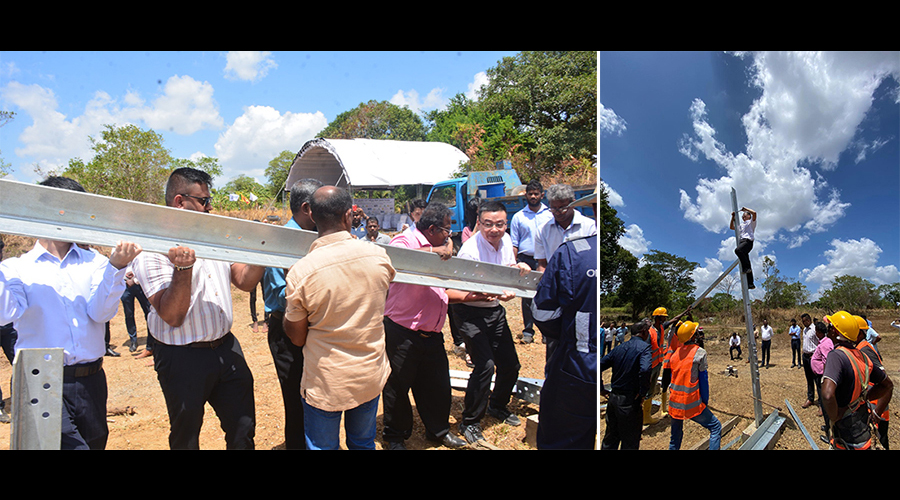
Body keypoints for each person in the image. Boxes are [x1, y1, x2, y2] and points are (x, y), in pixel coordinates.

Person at [0, 176, 142, 449]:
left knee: (95, 442)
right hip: (39, 379)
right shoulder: (16, 269)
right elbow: (5, 313)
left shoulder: (98, 263)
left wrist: (116, 267)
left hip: (91, 380)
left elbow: (101, 313)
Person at [131, 167, 264, 450]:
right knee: (186, 435)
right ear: (180, 201)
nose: (210, 206)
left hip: (226, 348)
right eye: (203, 200)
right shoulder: (152, 249)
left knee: (243, 428)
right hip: (182, 358)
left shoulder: (214, 235)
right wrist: (183, 268)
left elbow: (244, 281)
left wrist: (261, 253)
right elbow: (172, 315)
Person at [282, 186, 396, 450]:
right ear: (348, 216)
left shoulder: (302, 272)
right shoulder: (379, 256)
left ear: (313, 217)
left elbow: (297, 338)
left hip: (327, 382)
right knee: (363, 442)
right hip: (369, 373)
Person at [380, 202, 479, 450]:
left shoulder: (442, 246)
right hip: (403, 331)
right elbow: (405, 261)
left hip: (432, 332)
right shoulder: (403, 241)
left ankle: (438, 430)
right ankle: (395, 436)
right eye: (446, 230)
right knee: (397, 386)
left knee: (437, 385)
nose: (449, 235)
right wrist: (438, 251)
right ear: (432, 229)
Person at [452, 200, 532, 446]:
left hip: (495, 312)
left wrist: (517, 269)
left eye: (500, 224)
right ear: (479, 223)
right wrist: (496, 292)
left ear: (506, 224)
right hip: (470, 313)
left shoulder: (506, 241)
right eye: (488, 224)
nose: (494, 230)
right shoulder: (469, 251)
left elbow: (506, 269)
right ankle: (470, 421)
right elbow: (459, 291)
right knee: (485, 366)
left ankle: (497, 405)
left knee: (510, 365)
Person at [260, 178, 322, 450]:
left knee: (315, 393)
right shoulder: (283, 240)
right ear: (308, 208)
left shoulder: (318, 237)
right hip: (286, 329)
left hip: (314, 328)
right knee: (296, 395)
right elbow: (282, 295)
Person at [533, 233, 597, 450]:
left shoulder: (573, 252)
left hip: (577, 363)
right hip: (592, 362)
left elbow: (543, 313)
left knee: (565, 438)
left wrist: (566, 336)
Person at [532, 183, 597, 360]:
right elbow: (542, 264)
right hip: (556, 291)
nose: (559, 212)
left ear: (572, 203)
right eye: (554, 208)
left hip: (581, 289)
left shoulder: (589, 227)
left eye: (563, 207)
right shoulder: (543, 230)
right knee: (554, 343)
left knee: (581, 342)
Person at [821, 310, 892, 450]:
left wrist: (835, 416)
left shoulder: (836, 356)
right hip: (861, 432)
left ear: (835, 332)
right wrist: (863, 398)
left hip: (845, 438)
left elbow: (827, 395)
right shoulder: (862, 357)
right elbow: (887, 385)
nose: (827, 330)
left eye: (830, 326)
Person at [668, 320, 722, 450]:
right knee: (715, 427)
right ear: (692, 336)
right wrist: (704, 401)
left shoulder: (674, 355)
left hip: (674, 402)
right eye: (695, 332)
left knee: (675, 436)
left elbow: (674, 379)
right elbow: (703, 380)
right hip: (691, 403)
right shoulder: (699, 353)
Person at [509, 179, 551, 344]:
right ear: (525, 195)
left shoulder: (549, 215)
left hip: (546, 260)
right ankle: (528, 331)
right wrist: (513, 263)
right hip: (526, 260)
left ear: (542, 195)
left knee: (545, 295)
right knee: (527, 297)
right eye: (530, 194)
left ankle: (546, 332)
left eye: (536, 193)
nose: (533, 196)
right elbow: (514, 243)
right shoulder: (519, 217)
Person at [599, 318, 651, 450]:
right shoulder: (644, 348)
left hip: (613, 400)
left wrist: (601, 388)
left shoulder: (619, 348)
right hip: (629, 402)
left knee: (610, 439)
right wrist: (642, 393)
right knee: (630, 442)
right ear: (644, 332)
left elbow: (597, 366)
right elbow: (645, 369)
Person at [855, 315, 890, 450]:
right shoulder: (860, 348)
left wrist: (877, 413)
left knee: (880, 442)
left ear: (858, 333)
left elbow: (887, 385)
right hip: (870, 404)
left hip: (876, 407)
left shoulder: (865, 350)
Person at [120, 263, 151, 353]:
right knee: (129, 314)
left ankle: (151, 340)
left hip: (140, 284)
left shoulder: (140, 250)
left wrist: (135, 277)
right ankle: (133, 340)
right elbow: (116, 266)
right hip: (125, 285)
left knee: (148, 311)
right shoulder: (117, 249)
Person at [810, 320, 833, 439]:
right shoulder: (824, 342)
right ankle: (828, 426)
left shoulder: (825, 344)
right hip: (820, 376)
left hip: (822, 377)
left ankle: (830, 433)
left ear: (819, 332)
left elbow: (826, 361)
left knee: (825, 404)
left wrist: (824, 377)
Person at [730, 206, 757, 290]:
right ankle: (750, 283)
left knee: (738, 250)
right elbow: (731, 227)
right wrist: (733, 217)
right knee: (746, 261)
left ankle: (747, 268)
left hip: (748, 242)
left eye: (745, 215)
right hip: (742, 242)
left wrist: (745, 209)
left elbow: (754, 213)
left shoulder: (751, 222)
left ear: (749, 216)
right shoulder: (741, 225)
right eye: (742, 216)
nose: (743, 217)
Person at [800, 313, 819, 408]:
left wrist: (816, 355)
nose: (803, 323)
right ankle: (810, 398)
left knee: (817, 380)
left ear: (809, 320)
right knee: (809, 379)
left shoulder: (815, 329)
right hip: (806, 357)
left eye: (804, 321)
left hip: (813, 357)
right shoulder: (805, 330)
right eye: (802, 322)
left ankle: (821, 403)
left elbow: (820, 343)